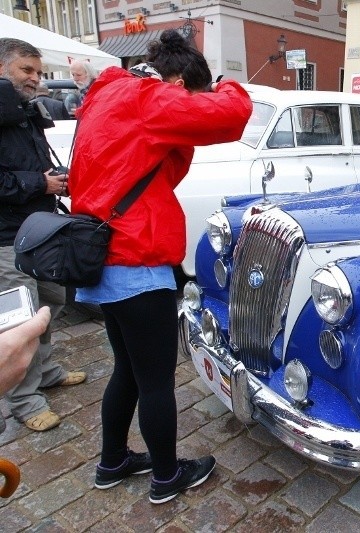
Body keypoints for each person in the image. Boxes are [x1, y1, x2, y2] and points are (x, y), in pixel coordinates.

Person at [69, 30, 252, 504]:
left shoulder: (108, 92)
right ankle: (167, 476)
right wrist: (225, 87)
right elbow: (232, 116)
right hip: (135, 256)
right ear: (176, 81)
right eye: (188, 94)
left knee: (126, 370)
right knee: (155, 379)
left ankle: (112, 462)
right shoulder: (149, 98)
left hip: (103, 258)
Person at [0, 38, 86, 433]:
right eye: (26, 70)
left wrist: (54, 183)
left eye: (37, 71)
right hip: (5, 238)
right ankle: (24, 400)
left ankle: (45, 372)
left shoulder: (20, 111)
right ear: (2, 69)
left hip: (38, 230)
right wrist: (41, 183)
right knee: (19, 321)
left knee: (50, 302)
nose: (35, 78)